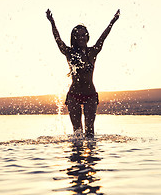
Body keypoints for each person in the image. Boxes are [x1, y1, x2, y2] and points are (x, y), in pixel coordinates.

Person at [46, 8, 120, 138]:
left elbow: (103, 37)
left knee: (90, 131)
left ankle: (90, 155)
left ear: (87, 36)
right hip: (74, 95)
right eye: (78, 35)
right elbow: (58, 40)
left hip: (90, 95)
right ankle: (77, 156)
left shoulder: (93, 52)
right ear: (74, 38)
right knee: (77, 132)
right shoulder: (69, 53)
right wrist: (52, 22)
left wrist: (112, 22)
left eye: (83, 35)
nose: (81, 37)